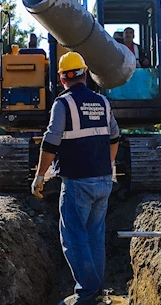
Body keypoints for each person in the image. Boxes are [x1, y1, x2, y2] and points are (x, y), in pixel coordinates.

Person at [32, 52, 120, 305]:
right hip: (103, 180)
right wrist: (107, 165)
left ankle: (87, 293)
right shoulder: (102, 102)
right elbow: (114, 138)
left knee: (73, 237)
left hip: (77, 182)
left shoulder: (63, 104)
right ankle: (95, 291)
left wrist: (39, 176)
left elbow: (50, 142)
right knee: (94, 235)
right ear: (85, 74)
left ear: (62, 78)